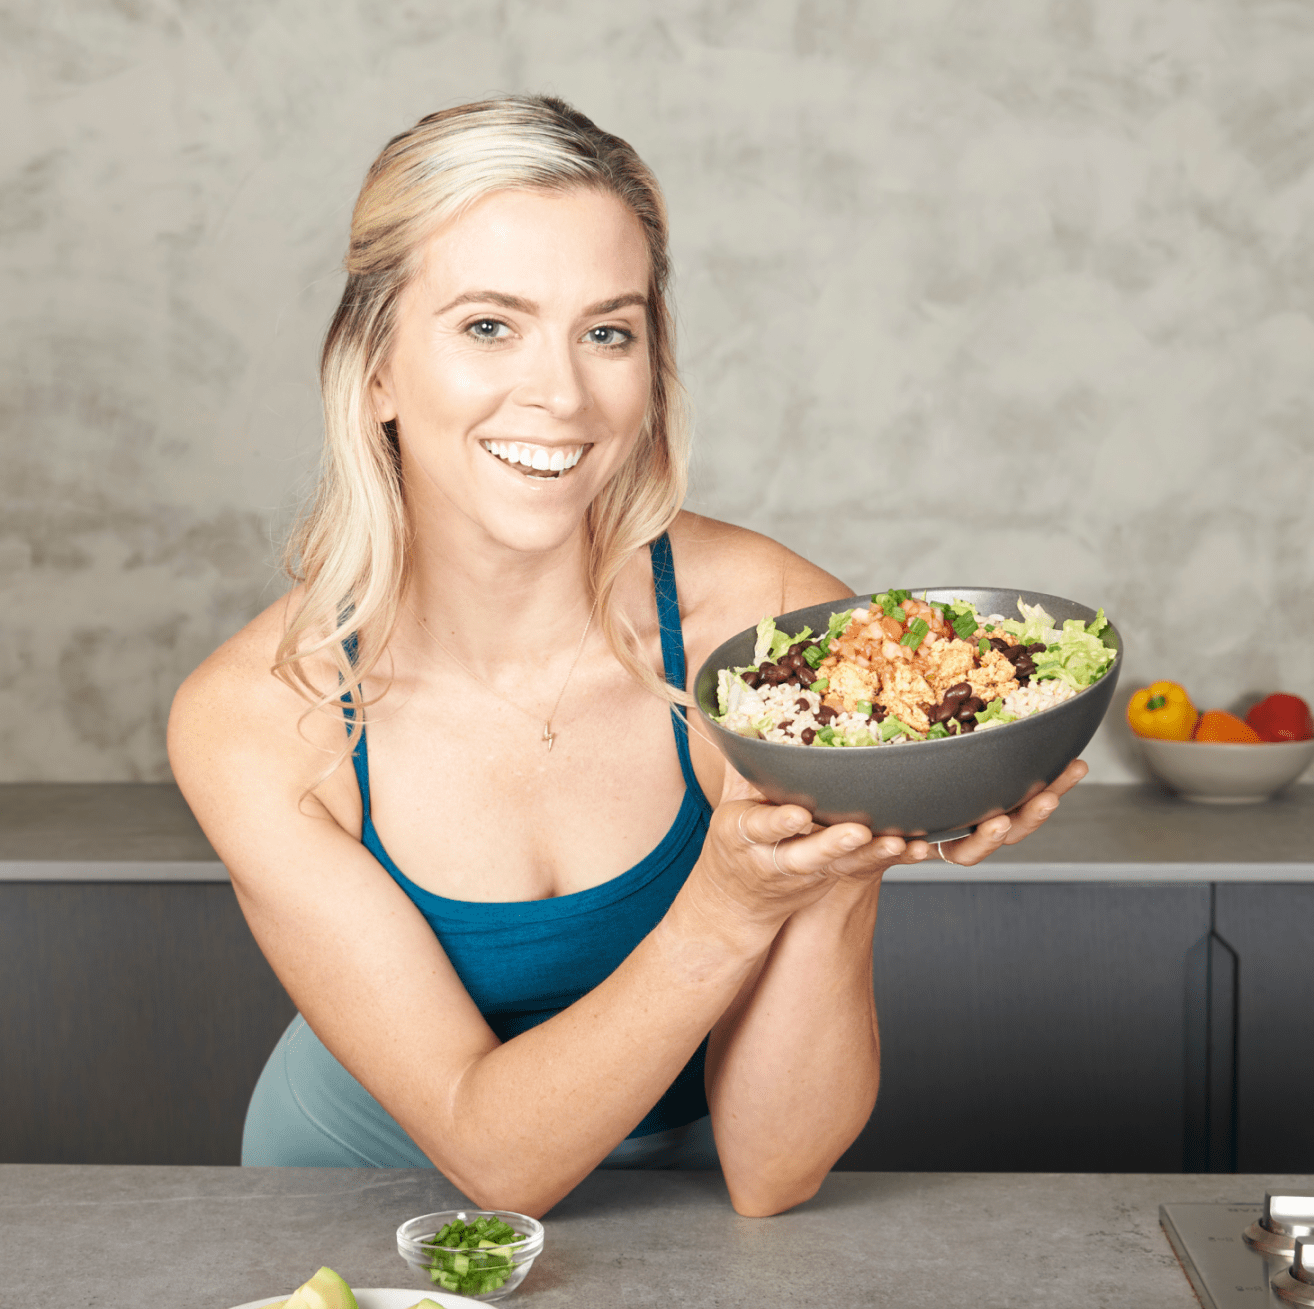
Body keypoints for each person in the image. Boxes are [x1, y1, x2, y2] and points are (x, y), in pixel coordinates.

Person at [167, 96, 1084, 1219]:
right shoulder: (260, 717)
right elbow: (496, 1163)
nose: (561, 394)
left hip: (689, 1216)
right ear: (376, 372)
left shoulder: (773, 632)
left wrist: (851, 847)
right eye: (488, 326)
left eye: (608, 331)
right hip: (357, 1201)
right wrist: (733, 903)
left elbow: (772, 1174)